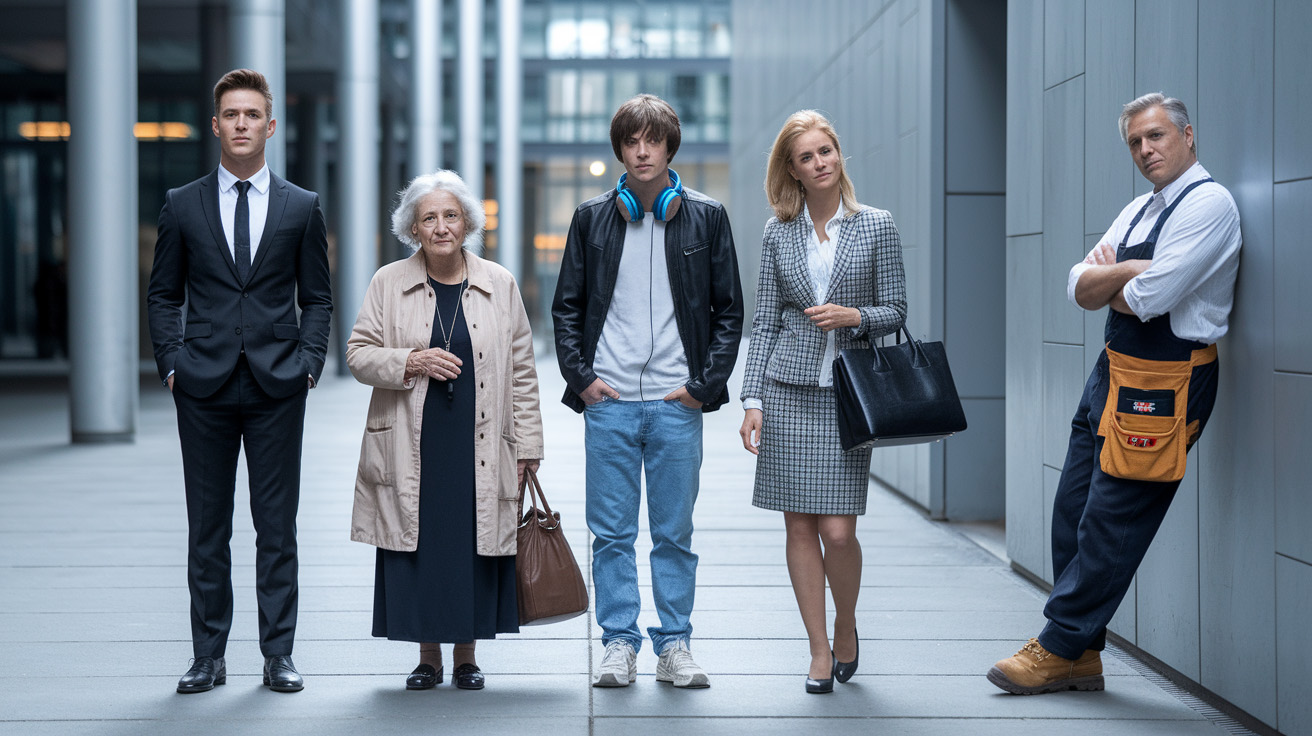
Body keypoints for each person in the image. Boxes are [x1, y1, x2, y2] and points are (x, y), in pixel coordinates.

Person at [988, 93, 1241, 695]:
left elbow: (1150, 300)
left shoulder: (1211, 205)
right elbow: (1079, 285)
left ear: (1188, 136)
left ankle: (1056, 645)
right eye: (1135, 142)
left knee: (1113, 518)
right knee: (1072, 511)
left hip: (1167, 379)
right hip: (1113, 371)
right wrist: (1131, 271)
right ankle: (1084, 654)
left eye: (1156, 136)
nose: (1146, 150)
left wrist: (1117, 278)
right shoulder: (1139, 209)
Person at [147, 69, 332, 694]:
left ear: (270, 126)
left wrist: (309, 364)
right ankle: (209, 657)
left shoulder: (301, 206)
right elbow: (163, 294)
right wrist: (171, 362)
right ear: (217, 124)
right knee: (209, 528)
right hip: (202, 385)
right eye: (232, 114)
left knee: (277, 528)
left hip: (279, 384)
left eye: (253, 114)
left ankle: (278, 655)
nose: (243, 124)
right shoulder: (181, 204)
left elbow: (320, 299)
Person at [552, 94, 743, 689]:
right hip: (608, 405)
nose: (641, 150)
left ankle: (676, 644)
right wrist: (581, 380)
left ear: (668, 147)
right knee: (611, 534)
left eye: (651, 140)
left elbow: (729, 311)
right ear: (620, 150)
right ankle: (618, 644)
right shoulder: (591, 218)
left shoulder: (706, 217)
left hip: (673, 405)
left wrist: (701, 387)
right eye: (630, 141)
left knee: (673, 533)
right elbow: (567, 307)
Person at [346, 170, 543, 692]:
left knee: (472, 540)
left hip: (480, 438)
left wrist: (529, 446)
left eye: (450, 216)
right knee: (421, 542)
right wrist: (411, 360)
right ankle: (428, 656)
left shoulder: (499, 283)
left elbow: (522, 369)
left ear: (468, 223)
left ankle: (467, 656)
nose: (440, 227)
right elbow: (358, 354)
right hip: (415, 437)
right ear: (413, 228)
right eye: (429, 217)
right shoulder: (388, 282)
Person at [737, 110, 907, 694]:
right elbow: (765, 319)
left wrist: (856, 316)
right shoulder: (776, 231)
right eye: (807, 157)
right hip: (786, 390)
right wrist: (752, 397)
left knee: (838, 532)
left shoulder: (878, 225)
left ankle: (846, 622)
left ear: (839, 155)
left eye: (827, 151)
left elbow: (897, 310)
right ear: (794, 169)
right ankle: (816, 649)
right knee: (799, 528)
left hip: (847, 394)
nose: (820, 163)